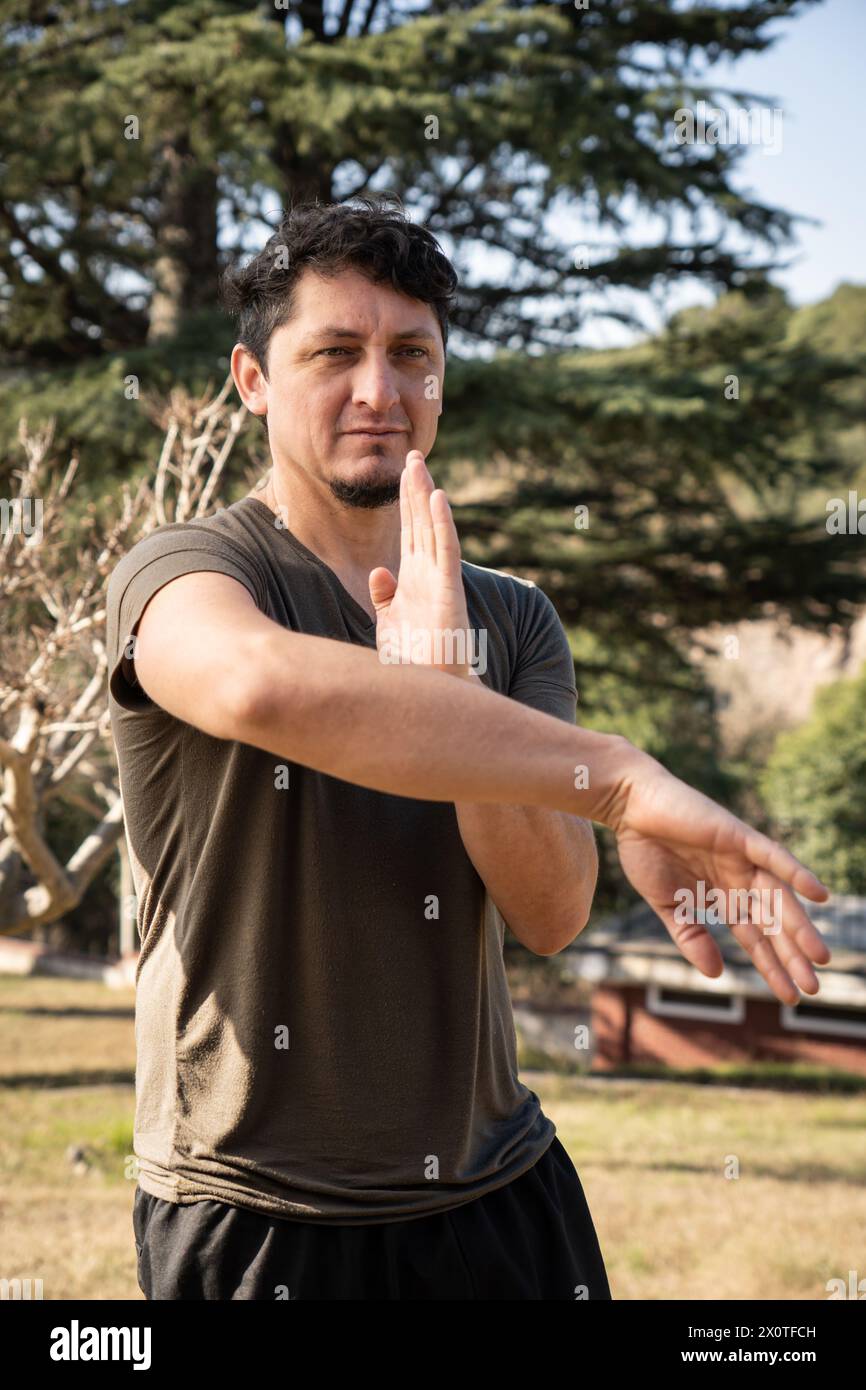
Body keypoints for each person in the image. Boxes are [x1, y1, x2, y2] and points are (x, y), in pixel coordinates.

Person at [109, 195, 831, 1301]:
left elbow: (546, 913)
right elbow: (254, 684)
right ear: (252, 380)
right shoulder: (191, 573)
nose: (378, 391)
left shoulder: (512, 618)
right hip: (254, 1210)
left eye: (411, 355)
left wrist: (449, 680)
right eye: (334, 352)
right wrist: (620, 780)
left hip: (498, 1194)